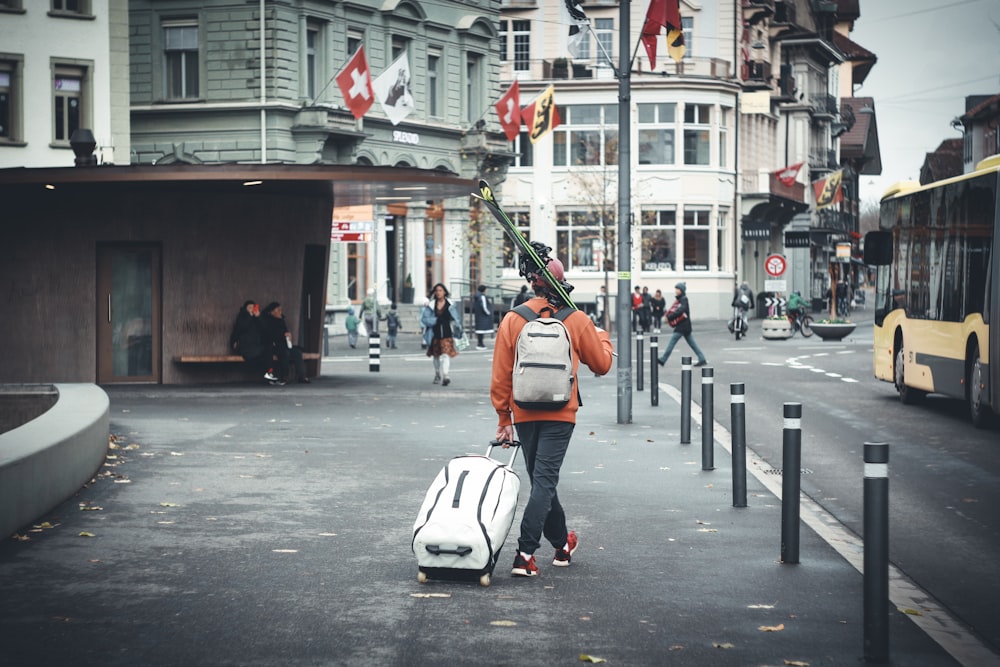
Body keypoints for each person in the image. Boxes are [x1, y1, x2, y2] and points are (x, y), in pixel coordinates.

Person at [492, 256, 614, 578]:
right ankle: (524, 553)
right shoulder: (575, 320)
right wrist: (601, 336)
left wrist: (503, 418)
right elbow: (601, 365)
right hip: (561, 412)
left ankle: (562, 544)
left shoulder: (513, 320)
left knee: (542, 482)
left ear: (532, 283)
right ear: (560, 283)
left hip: (524, 410)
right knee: (544, 483)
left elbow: (502, 374)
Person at [657, 282, 707, 368]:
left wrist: (669, 317)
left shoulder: (683, 299)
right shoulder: (681, 299)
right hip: (685, 326)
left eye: (677, 289)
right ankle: (702, 358)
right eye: (675, 289)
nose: (676, 291)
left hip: (682, 326)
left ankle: (663, 359)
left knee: (672, 343)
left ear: (682, 290)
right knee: (692, 344)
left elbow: (681, 310)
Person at [420, 283, 462, 386]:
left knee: (446, 354)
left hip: (447, 333)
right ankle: (437, 373)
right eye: (437, 291)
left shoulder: (450, 304)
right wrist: (435, 320)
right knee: (436, 356)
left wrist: (458, 328)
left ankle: (446, 375)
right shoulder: (431, 305)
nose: (438, 293)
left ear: (444, 292)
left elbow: (456, 319)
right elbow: (424, 319)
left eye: (440, 290)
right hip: (435, 333)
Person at [260, 302, 309, 384]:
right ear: (272, 312)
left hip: (284, 344)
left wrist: (288, 336)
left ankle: (301, 376)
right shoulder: (267, 321)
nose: (280, 312)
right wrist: (283, 335)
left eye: (281, 310)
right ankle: (284, 376)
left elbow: (285, 332)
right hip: (273, 346)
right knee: (285, 353)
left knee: (297, 352)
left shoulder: (281, 320)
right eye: (278, 310)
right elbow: (269, 335)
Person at [229, 300, 271, 381]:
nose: (252, 309)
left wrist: (258, 317)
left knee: (267, 351)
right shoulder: (242, 316)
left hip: (256, 346)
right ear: (245, 309)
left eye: (253, 307)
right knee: (264, 354)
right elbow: (241, 328)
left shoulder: (256, 318)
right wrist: (250, 316)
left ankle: (269, 373)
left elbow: (264, 329)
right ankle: (268, 373)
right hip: (246, 347)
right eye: (250, 308)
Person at [473, 285, 493, 350]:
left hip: (478, 315)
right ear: (484, 290)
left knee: (479, 331)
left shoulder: (477, 296)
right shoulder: (482, 297)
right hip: (483, 316)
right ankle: (480, 344)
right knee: (482, 330)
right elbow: (484, 306)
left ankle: (480, 343)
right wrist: (488, 313)